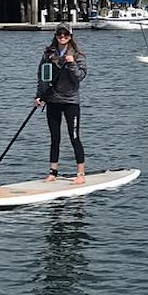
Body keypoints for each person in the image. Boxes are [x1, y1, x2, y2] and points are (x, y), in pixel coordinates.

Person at [34, 22, 87, 184]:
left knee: (74, 136)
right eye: (59, 35)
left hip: (70, 101)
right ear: (56, 36)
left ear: (70, 36)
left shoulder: (78, 55)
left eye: (65, 35)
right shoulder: (48, 54)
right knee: (54, 137)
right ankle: (53, 172)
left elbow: (80, 77)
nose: (62, 37)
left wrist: (71, 63)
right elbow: (42, 77)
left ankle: (80, 173)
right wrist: (39, 96)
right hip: (52, 100)